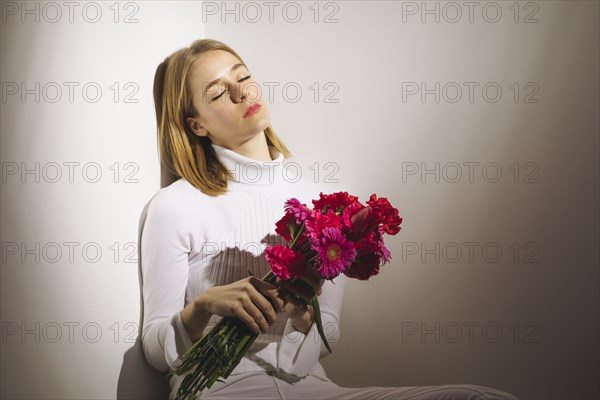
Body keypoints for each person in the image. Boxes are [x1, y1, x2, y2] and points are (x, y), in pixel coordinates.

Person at [140, 38, 519, 400]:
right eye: (219, 92)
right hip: (223, 389)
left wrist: (304, 316)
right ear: (197, 126)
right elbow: (155, 348)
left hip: (311, 388)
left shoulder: (319, 204)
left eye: (242, 77)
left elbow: (328, 333)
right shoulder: (176, 206)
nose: (243, 93)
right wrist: (204, 305)